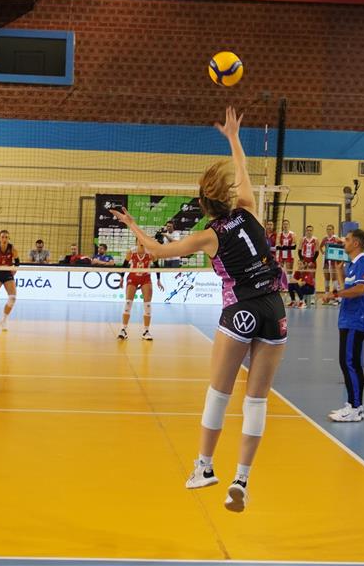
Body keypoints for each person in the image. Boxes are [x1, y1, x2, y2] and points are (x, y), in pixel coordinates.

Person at [110, 106, 287, 514]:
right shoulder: (249, 209)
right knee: (256, 402)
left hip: (240, 310)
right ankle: (241, 479)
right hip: (274, 307)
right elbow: (242, 170)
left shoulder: (209, 236)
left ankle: (204, 467)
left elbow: (156, 251)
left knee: (219, 393)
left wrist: (132, 224)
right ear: (228, 197)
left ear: (205, 205)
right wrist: (234, 138)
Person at [320, 229, 364, 422]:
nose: (344, 243)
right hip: (347, 319)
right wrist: (339, 272)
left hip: (355, 320)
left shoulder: (363, 263)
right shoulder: (352, 265)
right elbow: (347, 288)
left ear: (356, 243)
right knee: (350, 362)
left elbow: (361, 289)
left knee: (349, 362)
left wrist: (334, 294)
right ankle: (354, 405)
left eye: (348, 240)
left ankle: (355, 407)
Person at [120, 242, 154, 341]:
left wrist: (159, 279)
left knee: (147, 304)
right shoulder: (131, 252)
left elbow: (157, 265)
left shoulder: (150, 252)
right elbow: (124, 265)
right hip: (133, 277)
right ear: (137, 241)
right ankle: (123, 330)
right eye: (139, 240)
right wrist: (121, 278)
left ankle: (146, 331)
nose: (141, 242)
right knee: (128, 303)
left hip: (145, 278)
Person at [155, 221, 183, 287]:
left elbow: (174, 242)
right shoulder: (165, 234)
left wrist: (166, 235)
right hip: (166, 259)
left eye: (170, 226)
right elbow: (162, 244)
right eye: (167, 226)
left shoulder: (176, 234)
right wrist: (157, 238)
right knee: (167, 275)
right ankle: (168, 287)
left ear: (173, 227)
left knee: (174, 276)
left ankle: (175, 287)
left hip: (175, 259)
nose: (168, 227)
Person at [321, 225, 344, 300]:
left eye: (330, 229)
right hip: (326, 260)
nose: (329, 230)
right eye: (327, 229)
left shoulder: (336, 238)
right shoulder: (325, 238)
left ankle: (335, 296)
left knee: (334, 278)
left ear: (333, 230)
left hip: (334, 260)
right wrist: (323, 252)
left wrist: (339, 256)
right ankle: (326, 296)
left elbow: (342, 245)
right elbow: (320, 247)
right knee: (326, 277)